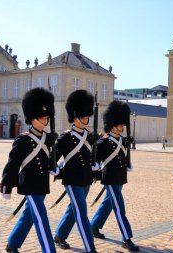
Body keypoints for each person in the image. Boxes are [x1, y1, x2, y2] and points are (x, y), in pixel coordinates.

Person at [0, 88, 57, 253]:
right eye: (42, 117)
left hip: (42, 184)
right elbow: (13, 164)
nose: (45, 120)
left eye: (46, 117)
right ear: (32, 118)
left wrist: (54, 167)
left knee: (29, 216)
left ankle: (12, 244)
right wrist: (7, 185)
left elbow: (48, 160)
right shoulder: (23, 140)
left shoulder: (48, 139)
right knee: (41, 219)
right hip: (30, 185)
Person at [52, 90, 98, 253]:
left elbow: (94, 156)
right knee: (82, 213)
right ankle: (90, 247)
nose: (86, 119)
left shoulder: (90, 136)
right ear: (74, 116)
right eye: (83, 116)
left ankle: (59, 235)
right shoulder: (65, 137)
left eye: (87, 116)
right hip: (71, 180)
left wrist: (96, 165)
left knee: (74, 209)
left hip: (86, 179)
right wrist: (54, 168)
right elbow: (54, 158)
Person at [91, 100, 139, 252]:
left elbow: (120, 156)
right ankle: (127, 238)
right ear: (112, 124)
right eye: (120, 124)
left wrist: (127, 162)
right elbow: (95, 161)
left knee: (108, 204)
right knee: (119, 207)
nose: (122, 126)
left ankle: (94, 226)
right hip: (110, 179)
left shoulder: (120, 140)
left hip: (120, 178)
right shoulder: (104, 142)